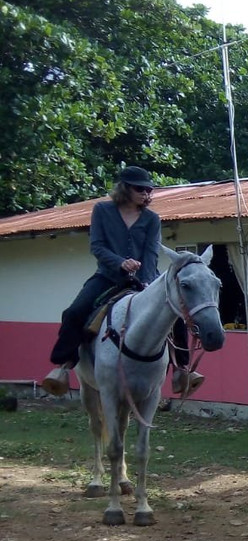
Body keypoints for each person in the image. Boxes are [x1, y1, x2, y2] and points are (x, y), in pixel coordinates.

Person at [41, 166, 202, 397]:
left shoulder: (152, 219)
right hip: (108, 277)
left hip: (145, 278)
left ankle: (182, 369)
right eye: (141, 189)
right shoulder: (102, 210)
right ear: (125, 188)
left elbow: (151, 253)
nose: (146, 194)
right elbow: (97, 246)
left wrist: (146, 280)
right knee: (74, 312)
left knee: (174, 314)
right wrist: (120, 262)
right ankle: (63, 366)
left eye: (149, 190)